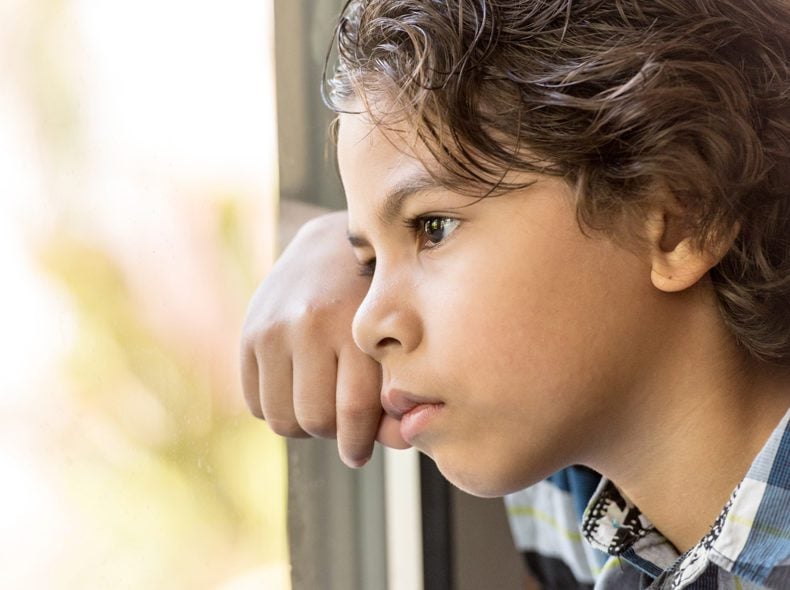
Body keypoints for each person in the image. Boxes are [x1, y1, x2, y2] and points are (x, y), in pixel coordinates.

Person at [240, 1, 790, 588]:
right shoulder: (566, 493)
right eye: (368, 261)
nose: (367, 321)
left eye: (433, 227)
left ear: (679, 222)